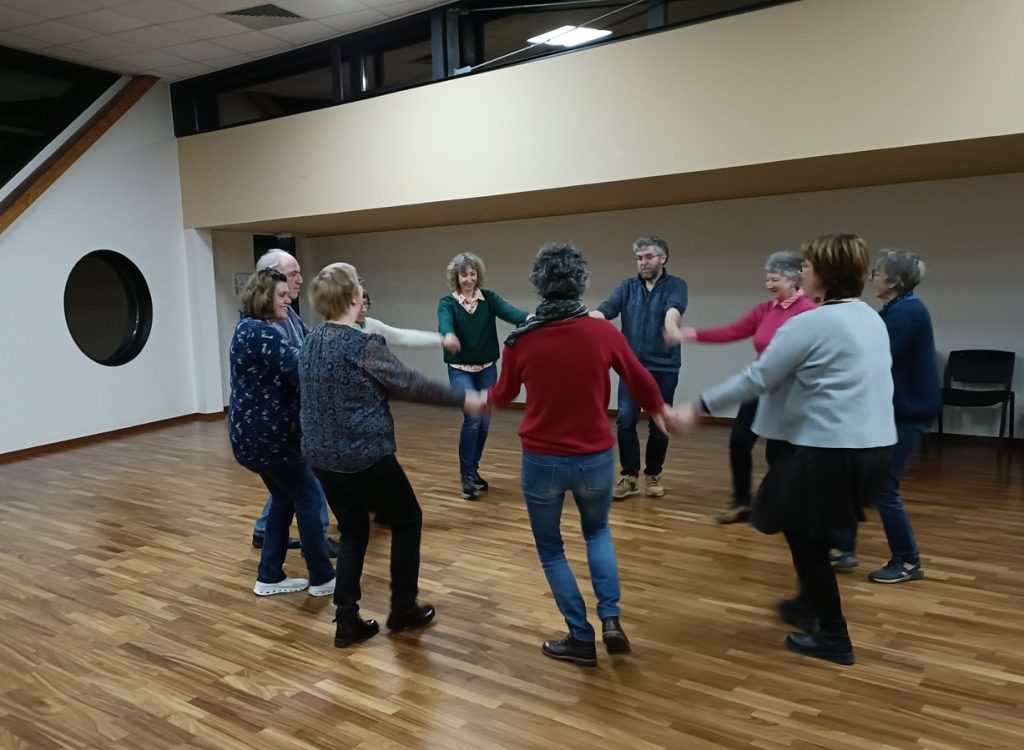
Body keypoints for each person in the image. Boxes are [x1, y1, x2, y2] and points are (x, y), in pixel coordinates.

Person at [679, 233, 896, 665]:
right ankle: (807, 604)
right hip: (869, 446)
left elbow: (758, 378)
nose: (803, 274)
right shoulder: (869, 316)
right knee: (806, 529)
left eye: (809, 267)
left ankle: (833, 636)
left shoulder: (811, 321)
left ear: (824, 274)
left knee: (802, 536)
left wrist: (697, 407)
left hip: (829, 448)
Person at [491, 243, 679, 667]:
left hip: (541, 460)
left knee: (552, 548)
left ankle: (581, 636)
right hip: (595, 456)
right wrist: (660, 411)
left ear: (539, 284)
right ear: (580, 282)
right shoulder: (602, 333)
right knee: (597, 533)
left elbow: (502, 398)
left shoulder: (521, 340)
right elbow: (640, 376)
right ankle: (610, 619)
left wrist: (475, 399)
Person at [300, 263, 486, 649]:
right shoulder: (362, 344)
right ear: (354, 299)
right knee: (407, 518)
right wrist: (464, 398)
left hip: (322, 457)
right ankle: (402, 609)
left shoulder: (311, 340)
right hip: (364, 456)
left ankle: (346, 621)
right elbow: (407, 383)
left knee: (353, 530)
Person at [680, 251, 816, 524]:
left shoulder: (809, 312)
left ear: (794, 279)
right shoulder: (765, 310)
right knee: (739, 442)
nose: (769, 285)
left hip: (789, 393)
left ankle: (785, 505)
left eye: (775, 279)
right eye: (767, 279)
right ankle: (742, 501)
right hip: (759, 385)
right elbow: (731, 332)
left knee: (777, 452)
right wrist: (689, 334)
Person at [829, 249, 940, 582]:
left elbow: (875, 358)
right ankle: (842, 548)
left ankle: (907, 561)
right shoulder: (897, 309)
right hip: (894, 411)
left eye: (876, 272)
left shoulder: (906, 313)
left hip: (907, 414)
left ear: (893, 280)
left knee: (882, 487)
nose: (870, 277)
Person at [228, 269, 335, 597]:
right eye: (281, 295)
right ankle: (322, 576)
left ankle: (269, 574)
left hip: (250, 435)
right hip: (271, 438)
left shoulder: (244, 329)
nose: (289, 300)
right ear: (263, 297)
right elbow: (300, 366)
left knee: (283, 498)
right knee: (308, 494)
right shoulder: (263, 333)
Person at [249, 249, 338, 557]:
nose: (300, 280)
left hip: (290, 412)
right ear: (271, 281)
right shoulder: (263, 328)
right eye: (293, 274)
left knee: (290, 480)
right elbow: (296, 362)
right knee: (308, 479)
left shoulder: (288, 315)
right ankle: (318, 547)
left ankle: (264, 530)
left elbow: (309, 342)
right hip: (280, 417)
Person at [590, 237, 688, 499]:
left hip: (664, 366)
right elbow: (606, 310)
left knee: (659, 424)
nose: (643, 262)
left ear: (662, 258)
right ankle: (629, 476)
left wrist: (671, 327)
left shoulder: (676, 285)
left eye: (648, 257)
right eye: (639, 258)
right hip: (631, 366)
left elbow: (673, 310)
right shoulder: (627, 287)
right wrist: (584, 318)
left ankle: (653, 475)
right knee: (625, 420)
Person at [437, 252, 528, 500]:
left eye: (473, 273)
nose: (469, 279)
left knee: (484, 423)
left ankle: (473, 470)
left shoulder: (488, 299)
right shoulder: (448, 302)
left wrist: (531, 318)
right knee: (473, 419)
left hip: (487, 368)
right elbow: (445, 322)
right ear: (456, 277)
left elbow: (511, 313)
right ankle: (466, 474)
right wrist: (448, 335)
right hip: (460, 370)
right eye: (464, 274)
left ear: (478, 275)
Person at [358, 289, 461, 352]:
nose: (363, 309)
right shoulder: (343, 328)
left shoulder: (370, 324)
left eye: (366, 304)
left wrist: (441, 340)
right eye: (359, 305)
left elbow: (401, 336)